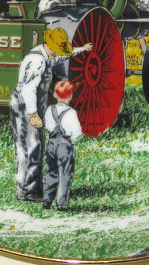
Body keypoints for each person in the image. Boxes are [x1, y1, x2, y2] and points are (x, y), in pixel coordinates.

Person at [10, 27, 92, 202]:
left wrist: (82, 49)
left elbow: (63, 56)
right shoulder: (37, 61)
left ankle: (34, 187)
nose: (59, 54)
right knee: (31, 147)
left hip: (32, 107)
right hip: (26, 107)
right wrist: (33, 114)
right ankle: (26, 191)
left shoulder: (47, 54)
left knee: (36, 146)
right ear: (52, 47)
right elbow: (28, 90)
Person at [43, 80, 82, 211]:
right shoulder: (71, 113)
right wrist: (72, 139)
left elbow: (47, 125)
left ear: (55, 95)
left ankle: (47, 200)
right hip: (65, 146)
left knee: (50, 171)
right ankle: (61, 204)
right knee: (65, 173)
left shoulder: (50, 109)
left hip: (51, 144)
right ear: (70, 96)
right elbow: (77, 131)